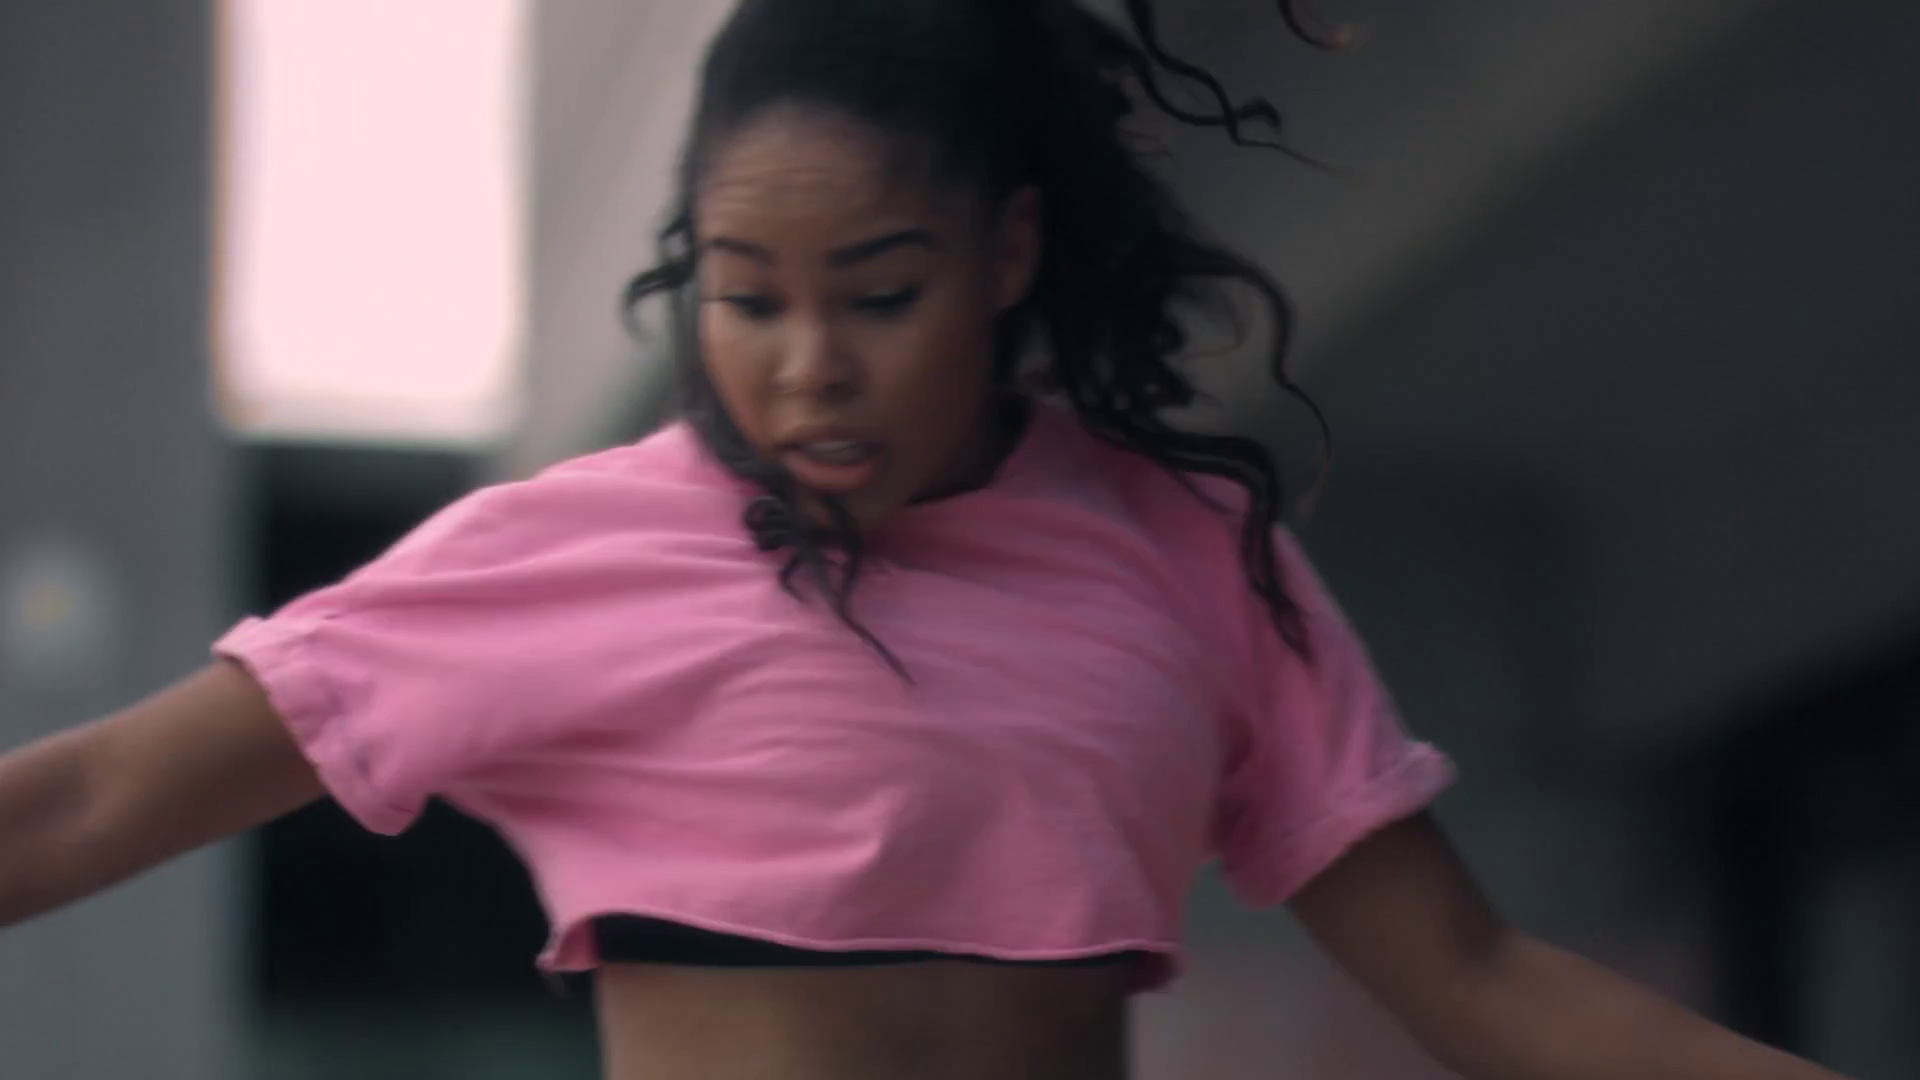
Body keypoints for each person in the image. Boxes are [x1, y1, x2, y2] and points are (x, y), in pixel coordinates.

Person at [0, 2, 1857, 1078]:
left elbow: (1477, 978)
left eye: (878, 294)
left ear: (1008, 254)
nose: (806, 366)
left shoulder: (1182, 552)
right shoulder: (563, 559)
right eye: (747, 296)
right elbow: (83, 804)